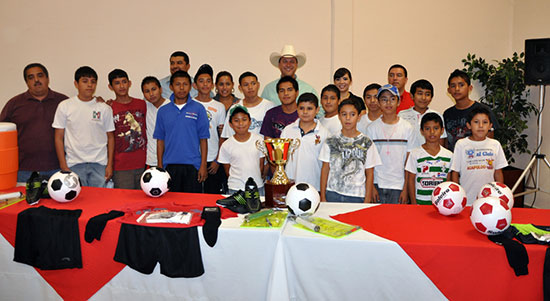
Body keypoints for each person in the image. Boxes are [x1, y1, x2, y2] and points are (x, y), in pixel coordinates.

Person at [0, 63, 68, 181]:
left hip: (58, 168)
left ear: (48, 78)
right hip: (24, 170)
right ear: (26, 82)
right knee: (25, 200)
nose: (36, 80)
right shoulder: (14, 104)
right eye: (31, 77)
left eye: (40, 75)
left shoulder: (64, 102)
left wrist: (96, 102)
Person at [52, 66, 115, 187]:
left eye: (93, 82)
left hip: (99, 164)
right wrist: (63, 165)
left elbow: (111, 138)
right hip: (74, 164)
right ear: (76, 84)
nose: (89, 85)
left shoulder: (104, 108)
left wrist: (109, 165)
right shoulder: (65, 106)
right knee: (78, 202)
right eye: (85, 81)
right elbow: (58, 137)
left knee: (99, 201)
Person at [154, 70, 209, 193]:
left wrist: (203, 165)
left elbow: (203, 139)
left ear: (190, 86)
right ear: (171, 87)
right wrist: (160, 166)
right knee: (171, 206)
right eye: (178, 84)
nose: (182, 88)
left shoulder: (198, 109)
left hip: (193, 166)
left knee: (193, 205)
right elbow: (160, 140)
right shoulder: (163, 111)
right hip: (169, 166)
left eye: (185, 84)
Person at [320, 98, 381, 203]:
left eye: (352, 114)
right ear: (339, 116)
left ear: (358, 117)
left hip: (357, 196)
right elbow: (325, 169)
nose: (348, 118)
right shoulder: (331, 141)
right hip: (333, 194)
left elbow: (369, 173)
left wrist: (367, 199)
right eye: (344, 114)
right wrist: (322, 196)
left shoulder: (366, 142)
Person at [365, 84, 416, 204]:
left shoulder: (407, 128)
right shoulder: (371, 128)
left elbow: (409, 163)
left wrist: (406, 189)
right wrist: (371, 187)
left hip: (399, 186)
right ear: (378, 102)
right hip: (377, 184)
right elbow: (368, 161)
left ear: (398, 102)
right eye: (384, 99)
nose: (388, 103)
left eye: (392, 99)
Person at [451, 106, 507, 205]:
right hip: (467, 198)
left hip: (489, 198)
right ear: (468, 125)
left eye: (485, 122)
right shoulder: (461, 144)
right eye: (476, 122)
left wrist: (500, 194)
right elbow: (455, 172)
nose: (481, 126)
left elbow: (498, 172)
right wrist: (457, 195)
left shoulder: (495, 144)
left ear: (490, 126)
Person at [281, 93, 330, 191]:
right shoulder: (288, 130)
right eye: (301, 108)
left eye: (309, 108)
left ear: (317, 110)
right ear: (297, 109)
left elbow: (326, 165)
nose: (305, 112)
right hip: (291, 184)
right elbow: (282, 159)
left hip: (315, 185)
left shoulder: (325, 133)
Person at [108, 69, 147, 189]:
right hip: (120, 167)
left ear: (129, 83)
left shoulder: (142, 104)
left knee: (144, 203)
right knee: (124, 203)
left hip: (142, 163)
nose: (121, 86)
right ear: (110, 86)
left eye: (124, 82)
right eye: (117, 83)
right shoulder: (108, 108)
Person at [443, 69, 499, 151]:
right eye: (453, 86)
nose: (457, 89)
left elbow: (489, 140)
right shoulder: (447, 114)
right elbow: (445, 142)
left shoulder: (483, 110)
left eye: (461, 85)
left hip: (477, 159)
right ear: (449, 90)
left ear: (470, 88)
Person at [192, 64, 227, 194]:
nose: (205, 85)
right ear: (195, 85)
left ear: (212, 85)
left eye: (208, 81)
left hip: (212, 160)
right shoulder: (189, 104)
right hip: (193, 159)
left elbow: (222, 136)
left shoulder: (219, 106)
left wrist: (217, 160)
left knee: (211, 197)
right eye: (201, 81)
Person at [405, 113, 453, 205]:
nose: (432, 132)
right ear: (422, 131)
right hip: (420, 203)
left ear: (442, 130)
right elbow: (411, 180)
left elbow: (448, 182)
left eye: (436, 128)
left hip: (441, 205)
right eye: (427, 129)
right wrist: (414, 203)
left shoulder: (449, 155)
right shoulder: (415, 154)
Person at [217, 106, 265, 195]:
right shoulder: (226, 145)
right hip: (235, 189)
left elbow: (261, 165)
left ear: (250, 122)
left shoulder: (259, 141)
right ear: (230, 124)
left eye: (244, 119)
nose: (240, 123)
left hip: (257, 186)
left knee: (258, 209)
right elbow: (227, 170)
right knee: (235, 209)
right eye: (236, 120)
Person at [221, 72, 275, 139]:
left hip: (264, 148)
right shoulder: (235, 108)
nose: (250, 87)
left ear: (258, 85)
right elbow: (227, 136)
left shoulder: (270, 106)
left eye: (253, 83)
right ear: (240, 88)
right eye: (246, 85)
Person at [398, 79, 447, 149]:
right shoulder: (402, 115)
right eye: (420, 93)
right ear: (412, 96)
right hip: (408, 157)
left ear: (431, 98)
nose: (423, 98)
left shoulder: (437, 115)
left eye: (427, 94)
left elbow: (441, 141)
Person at [141, 76, 169, 168]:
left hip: (170, 158)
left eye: (154, 89)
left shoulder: (171, 106)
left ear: (160, 89)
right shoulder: (143, 107)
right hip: (151, 159)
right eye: (147, 91)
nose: (151, 94)